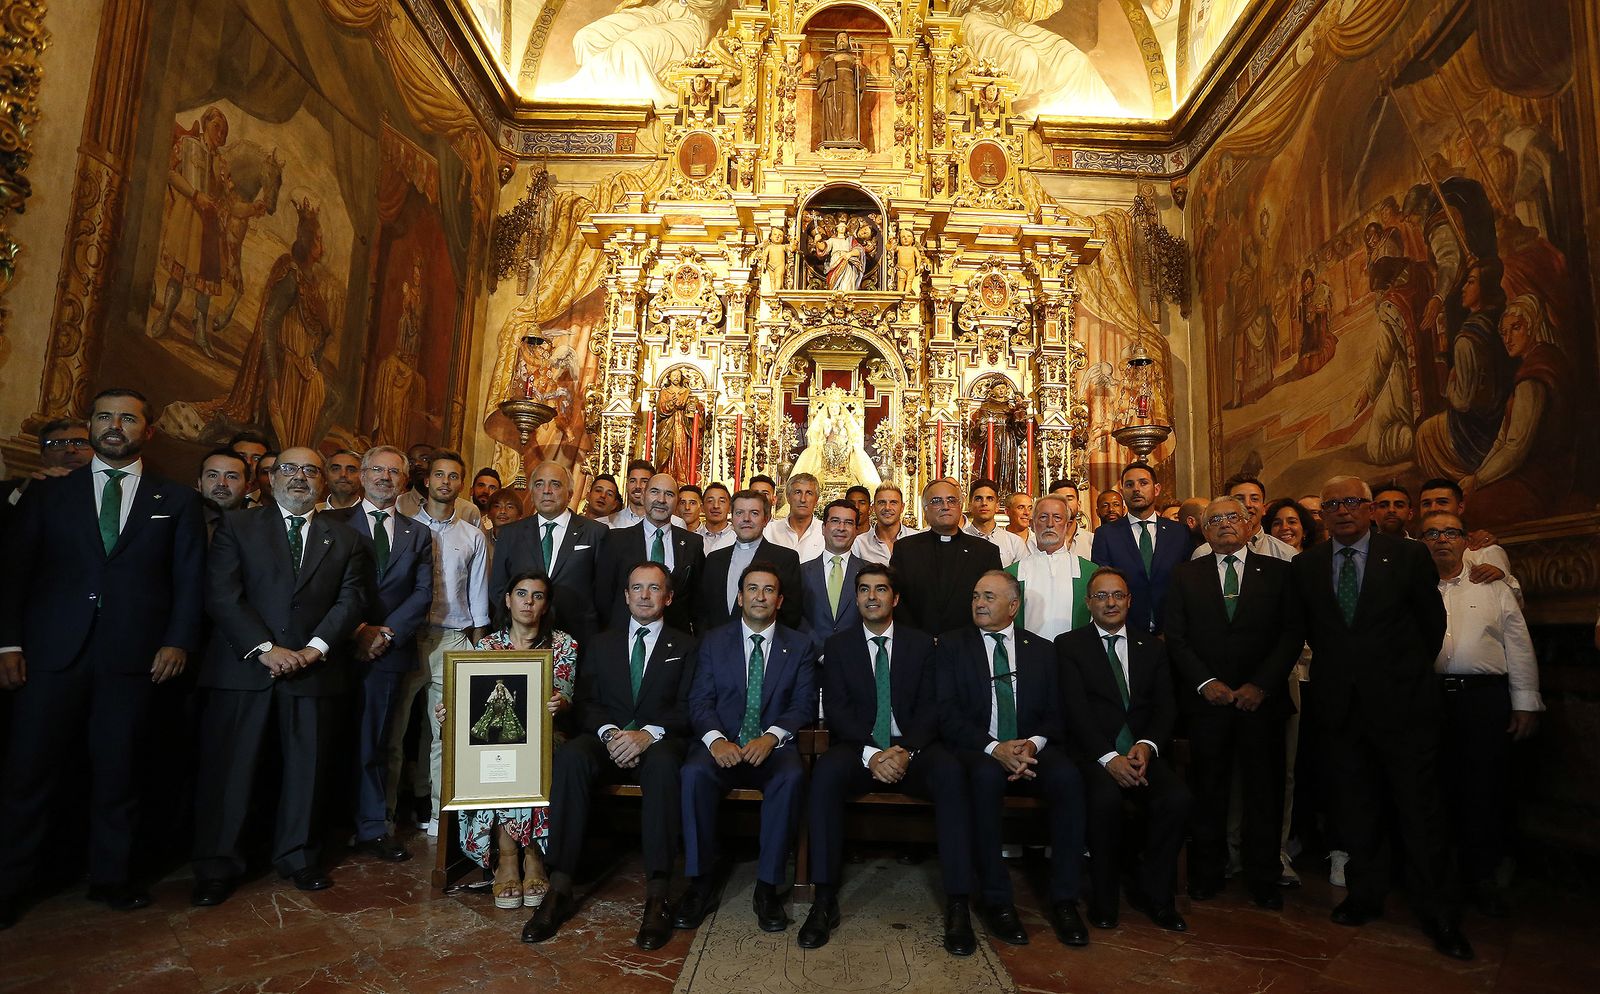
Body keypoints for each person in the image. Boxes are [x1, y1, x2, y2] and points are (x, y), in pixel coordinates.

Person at [0, 389, 206, 928]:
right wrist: (9, 643)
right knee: (29, 774)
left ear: (148, 431)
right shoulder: (48, 494)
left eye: (128, 418)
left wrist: (178, 639)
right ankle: (11, 884)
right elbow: (15, 573)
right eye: (105, 416)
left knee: (120, 772)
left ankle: (111, 878)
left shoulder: (176, 499)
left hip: (134, 659)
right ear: (91, 426)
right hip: (50, 655)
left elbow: (189, 580)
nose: (115, 426)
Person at [1288, 476, 1470, 960]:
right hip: (1340, 709)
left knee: (1419, 808)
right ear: (1322, 515)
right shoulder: (1307, 566)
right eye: (1332, 505)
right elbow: (1306, 629)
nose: (1342, 510)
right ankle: (1365, 894)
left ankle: (1438, 911)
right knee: (1356, 804)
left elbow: (1433, 625)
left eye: (1351, 502)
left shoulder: (1407, 556)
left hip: (1404, 707)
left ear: (1369, 508)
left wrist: (1399, 677)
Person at [190, 447, 370, 906]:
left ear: (324, 482)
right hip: (244, 668)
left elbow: (351, 602)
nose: (299, 478)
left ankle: (298, 856)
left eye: (311, 470)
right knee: (230, 773)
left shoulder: (345, 539)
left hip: (313, 672)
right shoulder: (238, 526)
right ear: (268, 479)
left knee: (306, 773)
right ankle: (217, 865)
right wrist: (267, 649)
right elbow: (222, 595)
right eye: (288, 469)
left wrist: (314, 649)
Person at [801, 564, 975, 955]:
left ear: (895, 598)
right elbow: (840, 710)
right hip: (861, 748)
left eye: (881, 590)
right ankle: (823, 898)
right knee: (825, 775)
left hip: (912, 748)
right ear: (856, 597)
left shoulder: (922, 644)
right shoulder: (839, 645)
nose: (872, 597)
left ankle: (958, 902)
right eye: (864, 590)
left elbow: (934, 706)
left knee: (950, 774)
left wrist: (904, 751)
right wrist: (873, 753)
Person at [523, 563, 697, 948]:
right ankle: (561, 886)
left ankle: (657, 895)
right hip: (608, 737)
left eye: (654, 589)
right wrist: (611, 734)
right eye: (637, 588)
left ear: (667, 597)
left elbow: (688, 707)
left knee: (667, 765)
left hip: (658, 740)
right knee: (570, 757)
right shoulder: (602, 643)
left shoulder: (684, 645)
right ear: (626, 595)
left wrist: (645, 736)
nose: (645, 596)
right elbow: (585, 703)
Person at [935, 571, 1089, 947]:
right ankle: (997, 900)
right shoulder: (952, 646)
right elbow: (947, 712)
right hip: (980, 749)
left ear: (1013, 606)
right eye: (975, 596)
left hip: (1031, 748)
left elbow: (1055, 713)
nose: (979, 604)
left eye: (989, 596)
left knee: (1069, 779)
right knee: (985, 780)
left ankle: (1065, 900)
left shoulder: (1041, 649)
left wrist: (1031, 746)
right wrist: (995, 748)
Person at [1165, 498, 1303, 909]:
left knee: (1265, 790)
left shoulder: (1279, 573)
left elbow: (1291, 634)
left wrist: (1260, 685)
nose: (1225, 525)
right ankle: (1208, 872)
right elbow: (1176, 636)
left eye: (1233, 517)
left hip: (1262, 702)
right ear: (1203, 531)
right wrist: (1205, 682)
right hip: (1207, 703)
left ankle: (1263, 875)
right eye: (1215, 520)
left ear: (1249, 525)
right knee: (1209, 790)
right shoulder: (1186, 575)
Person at [677, 563, 816, 933]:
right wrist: (716, 740)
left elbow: (803, 704)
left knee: (790, 777)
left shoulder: (799, 645)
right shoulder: (713, 640)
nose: (760, 596)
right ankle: (700, 882)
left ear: (780, 600)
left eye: (768, 590)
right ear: (739, 597)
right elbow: (700, 700)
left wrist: (771, 737)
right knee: (692, 774)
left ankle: (768, 887)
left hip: (771, 746)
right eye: (752, 589)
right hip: (721, 743)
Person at [1057, 568, 1191, 933]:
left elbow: (1166, 706)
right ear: (1088, 603)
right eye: (1101, 596)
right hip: (1093, 756)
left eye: (1118, 595)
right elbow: (1075, 711)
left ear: (1130, 600)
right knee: (1104, 802)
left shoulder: (1153, 647)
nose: (1110, 602)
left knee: (1176, 799)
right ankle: (1104, 899)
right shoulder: (1069, 645)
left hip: (1141, 755)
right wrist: (1108, 758)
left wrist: (1146, 748)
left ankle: (1157, 896)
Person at [1422, 511, 1542, 917]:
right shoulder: (1413, 588)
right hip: (1431, 699)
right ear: (1422, 541)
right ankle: (1441, 878)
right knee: (1437, 787)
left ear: (1464, 540)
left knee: (1485, 786)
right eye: (1432, 533)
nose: (1442, 539)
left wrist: (1525, 700)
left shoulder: (1492, 584)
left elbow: (1518, 643)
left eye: (1450, 532)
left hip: (1484, 698)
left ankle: (1482, 875)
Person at [323, 446, 435, 863]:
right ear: (362, 475)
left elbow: (423, 592)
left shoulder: (418, 533)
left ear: (404, 480)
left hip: (387, 652)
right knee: (324, 737)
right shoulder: (331, 522)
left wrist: (384, 633)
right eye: (376, 470)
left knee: (376, 741)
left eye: (394, 471)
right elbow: (321, 585)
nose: (385, 477)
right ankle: (321, 824)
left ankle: (372, 827)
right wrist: (356, 630)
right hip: (332, 646)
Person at [457, 573, 577, 911]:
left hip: (546, 736)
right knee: (497, 756)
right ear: (507, 600)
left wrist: (559, 701)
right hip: (496, 740)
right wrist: (451, 709)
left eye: (537, 596)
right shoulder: (487, 646)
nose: (528, 602)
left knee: (532, 755)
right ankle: (510, 855)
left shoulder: (564, 644)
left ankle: (532, 855)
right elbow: (472, 699)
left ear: (546, 605)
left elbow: (565, 696)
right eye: (521, 594)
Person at [403, 450, 490, 835]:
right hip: (407, 637)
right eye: (439, 475)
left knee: (446, 732)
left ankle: (440, 811)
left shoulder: (472, 536)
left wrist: (478, 650)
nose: (445, 482)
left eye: (454, 477)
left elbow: (479, 597)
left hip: (453, 639)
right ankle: (387, 815)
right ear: (427, 480)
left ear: (461, 484)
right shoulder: (404, 527)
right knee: (397, 731)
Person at [489, 462, 608, 649]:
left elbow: (604, 591)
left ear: (570, 493)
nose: (546, 490)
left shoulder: (596, 532)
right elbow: (498, 587)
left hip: (580, 639)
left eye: (555, 484)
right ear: (532, 491)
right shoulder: (510, 534)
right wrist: (520, 623)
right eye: (539, 484)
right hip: (524, 641)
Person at [1091, 463, 1194, 633]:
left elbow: (1188, 582)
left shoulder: (1179, 533)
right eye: (1129, 485)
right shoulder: (1106, 535)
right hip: (1126, 631)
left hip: (1173, 631)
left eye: (1143, 483)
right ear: (1122, 491)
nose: (1136, 489)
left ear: (1157, 489)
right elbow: (1103, 583)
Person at [891, 480, 1002, 635]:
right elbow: (896, 598)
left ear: (960, 506)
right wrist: (917, 638)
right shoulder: (905, 549)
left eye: (951, 500)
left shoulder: (985, 552)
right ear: (925, 510)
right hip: (916, 644)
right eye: (936, 501)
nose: (945, 506)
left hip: (969, 643)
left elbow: (993, 599)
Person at [598, 473, 704, 633]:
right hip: (624, 637)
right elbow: (603, 596)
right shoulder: (616, 540)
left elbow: (698, 601)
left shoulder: (693, 543)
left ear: (677, 502)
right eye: (655, 492)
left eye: (669, 494)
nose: (661, 500)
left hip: (676, 641)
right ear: (644, 496)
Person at [695, 490, 804, 633]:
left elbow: (791, 613)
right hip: (717, 648)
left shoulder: (785, 558)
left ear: (765, 519)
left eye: (754, 513)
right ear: (732, 518)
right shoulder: (714, 559)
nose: (746, 519)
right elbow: (702, 610)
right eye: (739, 513)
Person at [1417, 478, 1521, 603]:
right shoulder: (1412, 552)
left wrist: (1502, 578)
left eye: (1442, 502)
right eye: (1426, 504)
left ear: (1460, 507)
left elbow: (1511, 602)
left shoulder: (1485, 550)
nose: (1433, 508)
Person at [1008, 495, 1096, 640]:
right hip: (1029, 657)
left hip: (1074, 657)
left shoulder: (1090, 572)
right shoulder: (1012, 573)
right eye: (1043, 517)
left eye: (1057, 517)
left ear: (1067, 525)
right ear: (1032, 524)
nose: (1050, 524)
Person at [798, 500, 865, 655]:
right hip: (811, 662)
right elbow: (796, 616)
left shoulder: (868, 572)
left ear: (856, 530)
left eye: (848, 523)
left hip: (857, 659)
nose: (841, 528)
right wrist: (819, 650)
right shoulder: (801, 572)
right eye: (835, 521)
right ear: (823, 528)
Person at [1193, 474, 1297, 561]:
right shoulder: (1204, 552)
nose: (1248, 504)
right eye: (1239, 499)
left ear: (1264, 508)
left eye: (1254, 499)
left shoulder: (1285, 553)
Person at [962, 478, 1027, 567]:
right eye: (978, 499)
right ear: (969, 506)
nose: (984, 503)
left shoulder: (1014, 543)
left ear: (997, 506)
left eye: (990, 499)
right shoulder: (959, 540)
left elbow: (1021, 576)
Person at [851, 482, 920, 564]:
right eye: (882, 502)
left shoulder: (917, 539)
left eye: (893, 502)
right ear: (873, 508)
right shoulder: (859, 544)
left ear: (902, 507)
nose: (887, 507)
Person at [762, 472, 824, 563]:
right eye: (798, 492)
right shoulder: (769, 531)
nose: (803, 499)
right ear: (788, 497)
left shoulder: (825, 533)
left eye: (809, 493)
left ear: (816, 500)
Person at [198, 447, 250, 539]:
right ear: (199, 484)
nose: (221, 483)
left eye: (231, 477)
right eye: (212, 475)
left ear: (247, 488)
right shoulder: (181, 522)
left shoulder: (260, 529)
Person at [695, 482, 736, 554]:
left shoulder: (738, 538)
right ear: (702, 508)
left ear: (730, 508)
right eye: (710, 501)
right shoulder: (693, 538)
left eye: (722, 501)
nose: (716, 506)